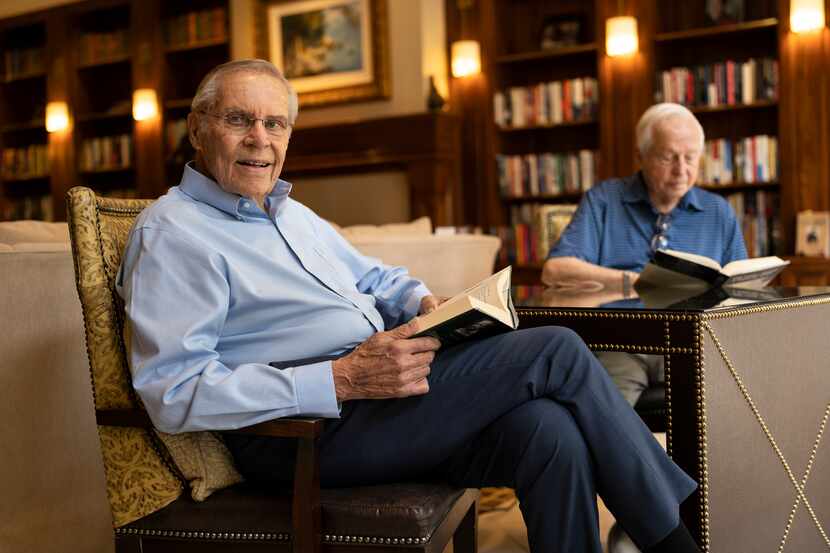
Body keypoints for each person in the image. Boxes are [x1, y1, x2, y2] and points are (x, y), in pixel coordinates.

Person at [116, 59, 702, 553]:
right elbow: (171, 392)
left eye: (275, 123)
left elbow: (375, 275)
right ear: (198, 129)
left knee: (547, 431)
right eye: (239, 120)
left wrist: (423, 300)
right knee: (556, 348)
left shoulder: (289, 213)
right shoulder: (174, 234)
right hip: (303, 433)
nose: (260, 139)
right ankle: (676, 541)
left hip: (380, 398)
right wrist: (340, 378)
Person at [543, 103, 747, 406]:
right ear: (640, 156)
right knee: (605, 422)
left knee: (734, 412)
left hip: (697, 343)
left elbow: (739, 285)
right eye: (668, 157)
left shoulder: (717, 210)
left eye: (690, 158)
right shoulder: (604, 200)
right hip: (620, 343)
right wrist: (637, 281)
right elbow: (555, 271)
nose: (681, 170)